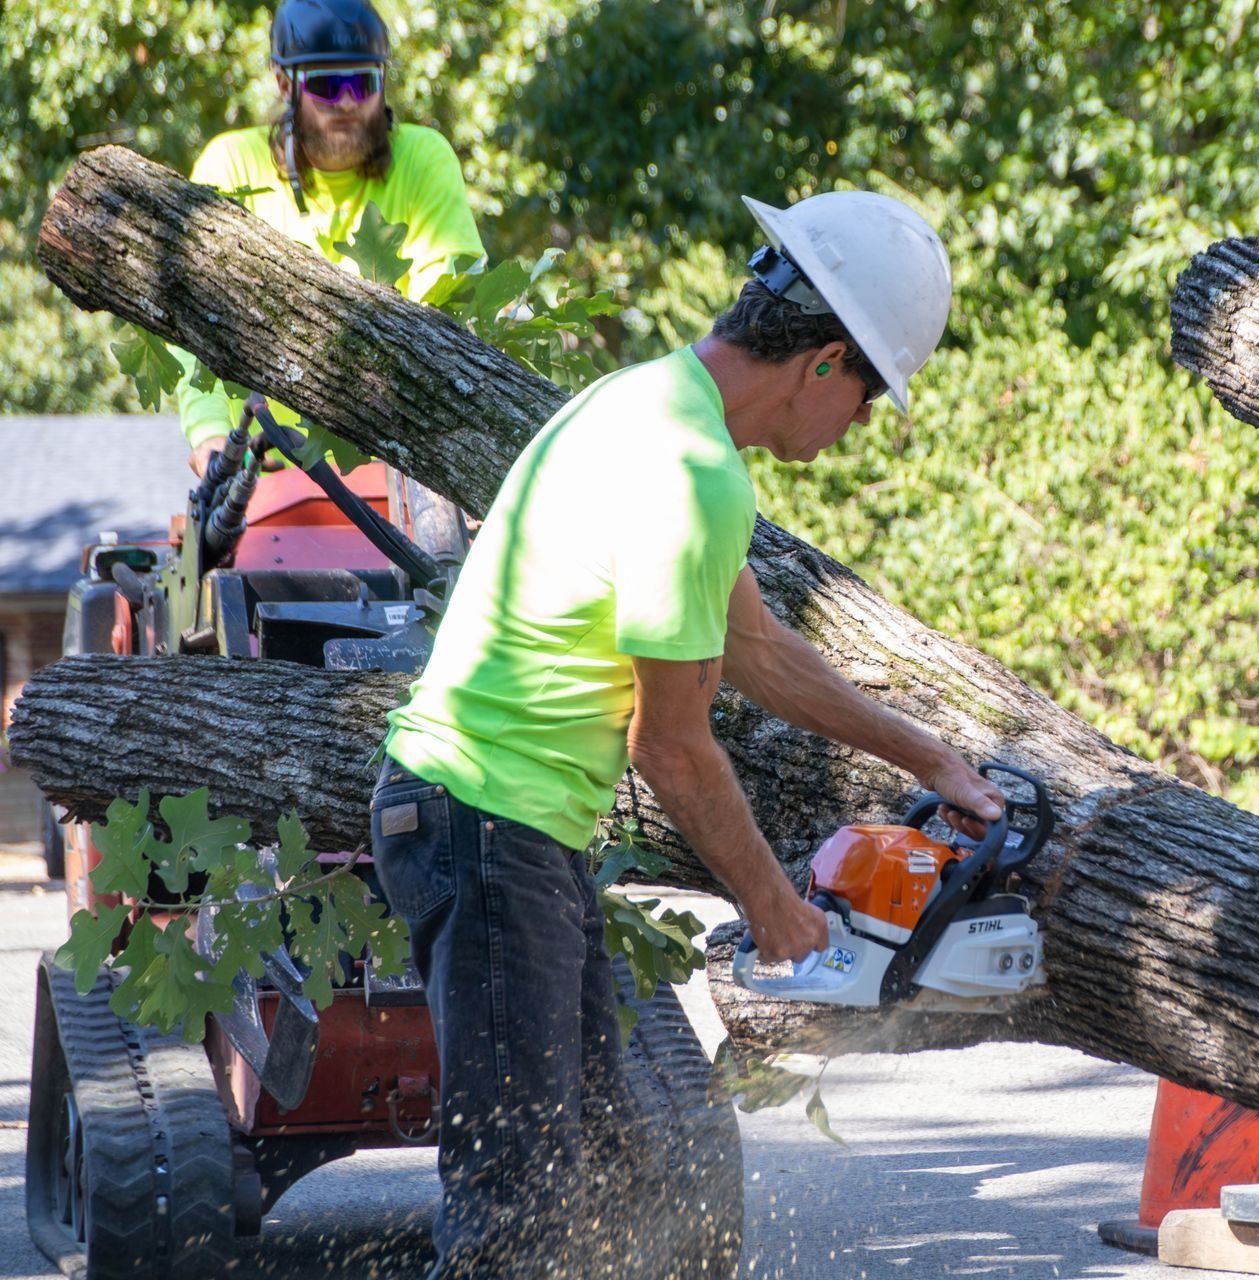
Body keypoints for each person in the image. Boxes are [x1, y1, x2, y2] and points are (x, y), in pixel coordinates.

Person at [370, 189, 1005, 1278]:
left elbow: (758, 652)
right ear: (822, 363)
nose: (855, 427)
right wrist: (776, 908)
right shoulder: (691, 473)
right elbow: (672, 748)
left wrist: (931, 756)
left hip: (505, 831)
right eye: (864, 398)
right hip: (485, 826)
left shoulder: (654, 407)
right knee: (513, 1213)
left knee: (622, 1167)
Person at [173, 0, 484, 475]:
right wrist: (212, 436)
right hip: (265, 465)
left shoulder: (425, 159)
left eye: (362, 83)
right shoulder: (231, 164)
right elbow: (194, 319)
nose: (345, 102)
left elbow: (450, 308)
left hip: (401, 462)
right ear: (284, 84)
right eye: (324, 84)